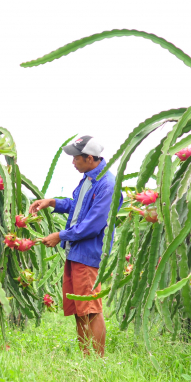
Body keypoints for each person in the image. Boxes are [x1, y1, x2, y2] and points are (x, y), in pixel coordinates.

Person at [29, 136, 122, 357]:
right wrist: (52, 202)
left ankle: (96, 360)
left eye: (75, 158)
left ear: (90, 158)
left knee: (91, 308)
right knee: (80, 308)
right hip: (76, 251)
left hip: (89, 252)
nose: (73, 162)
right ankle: (85, 356)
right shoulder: (88, 180)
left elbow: (92, 224)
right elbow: (78, 208)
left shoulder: (107, 185)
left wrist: (60, 235)